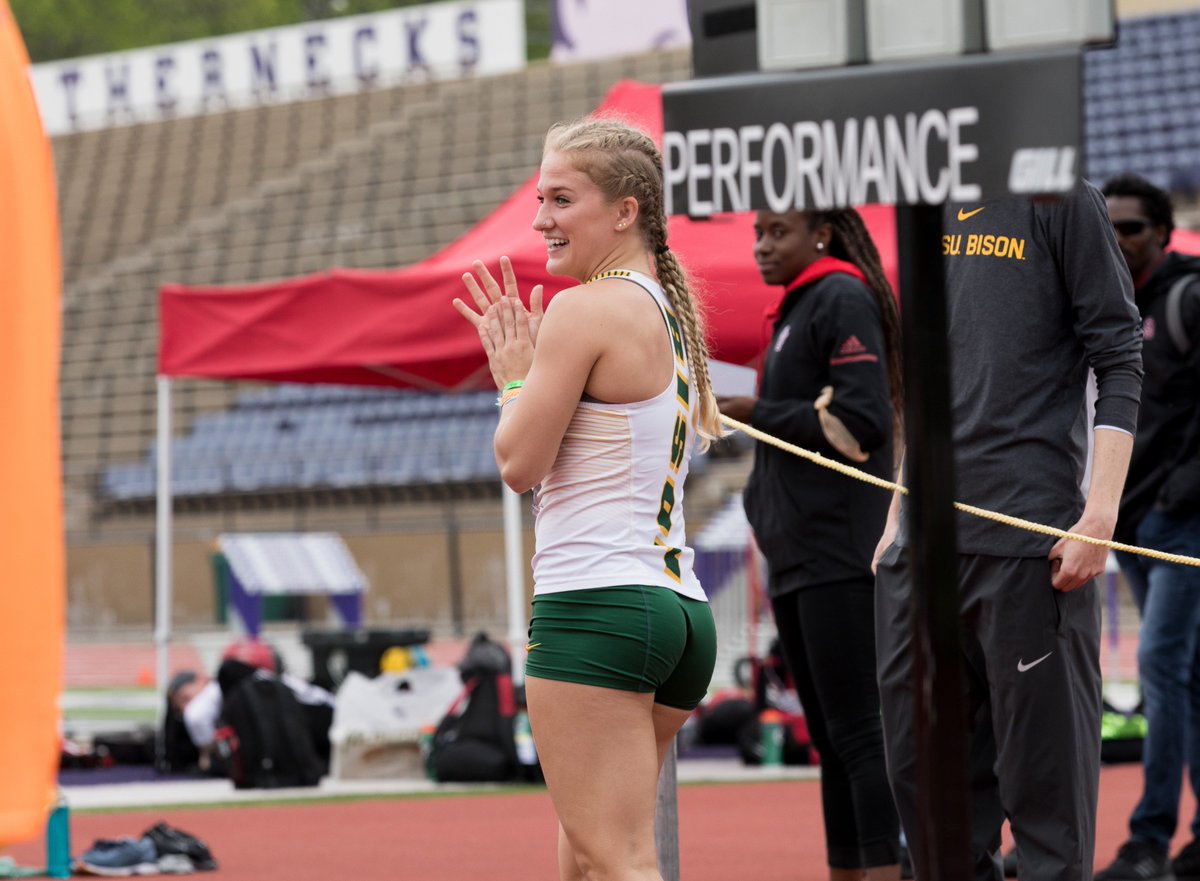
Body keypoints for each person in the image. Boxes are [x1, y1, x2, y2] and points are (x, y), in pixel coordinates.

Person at [452, 117, 721, 881]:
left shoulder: (585, 308)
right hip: (676, 610)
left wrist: (511, 374)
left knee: (620, 859)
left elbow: (518, 461)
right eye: (541, 199)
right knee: (587, 856)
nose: (541, 219)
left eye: (562, 199)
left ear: (626, 209)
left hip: (597, 604)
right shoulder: (664, 308)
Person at [872, 182, 1143, 881]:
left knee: (1049, 820)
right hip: (923, 554)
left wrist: (1100, 516)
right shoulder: (923, 199)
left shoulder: (1059, 198)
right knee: (932, 820)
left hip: (1029, 546)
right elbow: (931, 371)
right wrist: (897, 513)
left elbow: (1120, 356)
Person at [717, 207, 904, 881]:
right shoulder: (797, 307)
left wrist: (753, 411)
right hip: (797, 551)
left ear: (820, 233)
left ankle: (884, 869)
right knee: (830, 738)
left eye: (778, 232)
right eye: (758, 233)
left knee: (859, 733)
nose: (762, 245)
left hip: (838, 547)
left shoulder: (841, 295)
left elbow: (862, 421)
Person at [1093, 174, 1200, 881]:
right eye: (1112, 226)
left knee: (1161, 663)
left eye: (1132, 226)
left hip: (1182, 516)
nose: (1120, 237)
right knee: (1187, 673)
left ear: (1163, 231)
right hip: (1132, 519)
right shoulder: (1107, 302)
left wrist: (1180, 491)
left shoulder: (1189, 297)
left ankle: (1148, 839)